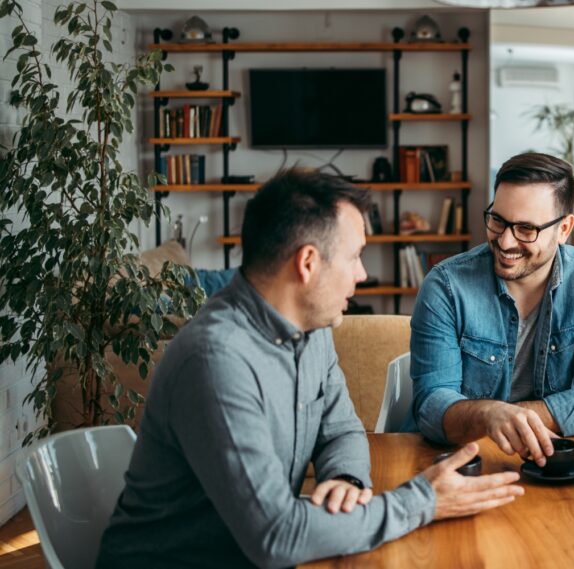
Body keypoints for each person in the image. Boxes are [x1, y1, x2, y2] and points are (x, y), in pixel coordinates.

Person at [97, 169, 523, 569]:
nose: (363, 274)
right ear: (307, 263)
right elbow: (276, 536)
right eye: (355, 256)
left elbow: (341, 429)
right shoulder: (215, 362)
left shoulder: (310, 326)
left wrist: (347, 481)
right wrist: (423, 501)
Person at [408, 152, 574, 467]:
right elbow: (431, 408)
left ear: (564, 228)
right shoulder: (446, 285)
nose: (506, 242)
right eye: (498, 220)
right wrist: (489, 415)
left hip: (551, 463)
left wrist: (511, 418)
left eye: (526, 229)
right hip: (459, 463)